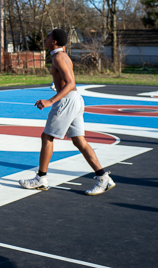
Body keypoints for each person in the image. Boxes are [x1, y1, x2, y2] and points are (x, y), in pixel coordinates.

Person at [19, 29, 115, 195]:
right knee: (79, 141)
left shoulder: (59, 57)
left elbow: (70, 83)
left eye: (49, 37)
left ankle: (41, 179)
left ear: (54, 41)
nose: (46, 39)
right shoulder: (61, 56)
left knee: (47, 137)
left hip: (67, 101)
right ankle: (103, 177)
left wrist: (50, 101)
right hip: (74, 100)